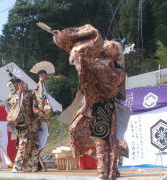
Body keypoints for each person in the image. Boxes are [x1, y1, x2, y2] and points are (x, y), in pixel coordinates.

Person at [52, 24, 126, 180]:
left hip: (105, 106)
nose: (106, 47)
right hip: (93, 105)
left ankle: (105, 171)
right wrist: (64, 39)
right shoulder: (96, 63)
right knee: (78, 131)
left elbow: (108, 82)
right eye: (105, 46)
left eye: (111, 47)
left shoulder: (118, 71)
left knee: (105, 140)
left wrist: (86, 59)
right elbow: (88, 77)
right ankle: (107, 169)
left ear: (117, 54)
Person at [6, 77, 42, 173]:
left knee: (34, 145)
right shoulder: (12, 95)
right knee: (23, 145)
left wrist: (40, 82)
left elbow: (38, 99)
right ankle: (17, 166)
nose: (12, 87)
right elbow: (14, 106)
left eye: (14, 84)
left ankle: (32, 167)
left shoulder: (30, 93)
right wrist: (20, 93)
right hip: (22, 125)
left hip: (32, 124)